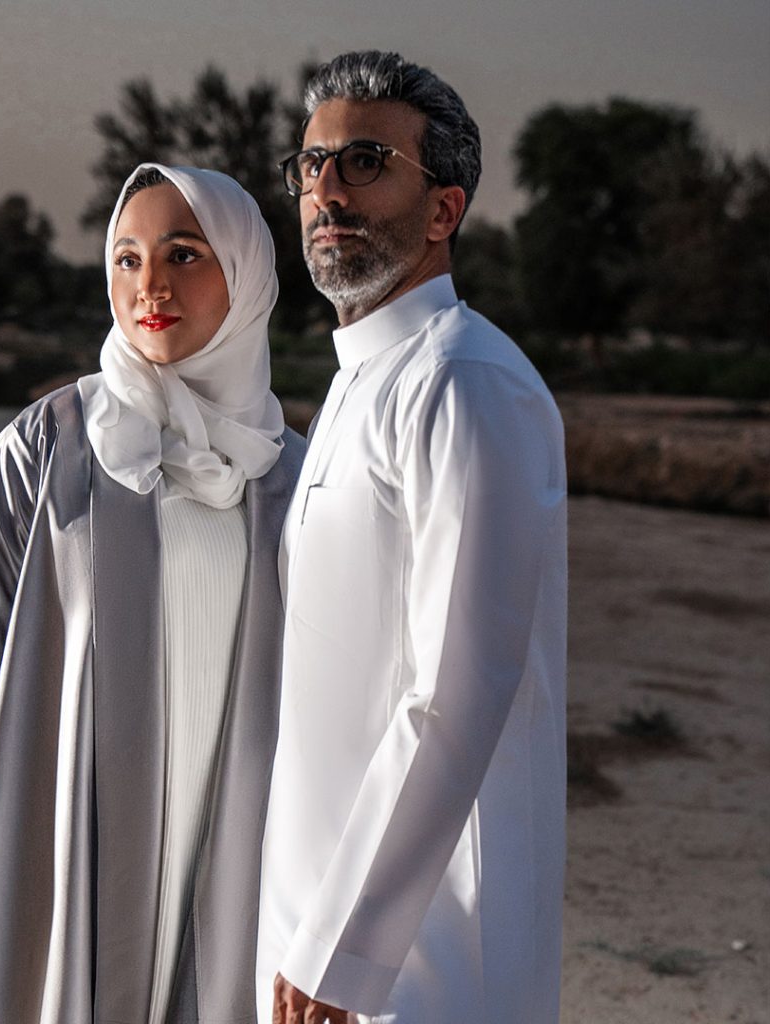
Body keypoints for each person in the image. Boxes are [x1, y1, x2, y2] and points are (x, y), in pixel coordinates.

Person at [0, 163, 304, 1024]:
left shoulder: (295, 475)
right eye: (126, 259)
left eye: (184, 254)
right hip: (59, 850)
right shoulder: (43, 450)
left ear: (247, 276)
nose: (149, 285)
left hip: (231, 848)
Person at [257, 51, 567, 1024]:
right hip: (323, 915)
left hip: (423, 949)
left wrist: (345, 945)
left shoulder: (464, 381)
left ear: (443, 209)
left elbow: (458, 689)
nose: (326, 191)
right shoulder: (359, 381)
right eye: (310, 166)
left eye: (364, 162)